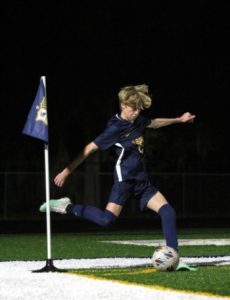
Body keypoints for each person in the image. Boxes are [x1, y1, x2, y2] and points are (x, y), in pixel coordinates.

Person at [40, 84, 195, 252]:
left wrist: (179, 119)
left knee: (168, 212)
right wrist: (67, 171)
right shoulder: (115, 128)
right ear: (123, 105)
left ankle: (174, 256)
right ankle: (66, 206)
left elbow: (154, 123)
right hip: (124, 181)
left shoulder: (137, 121)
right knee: (106, 221)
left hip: (142, 182)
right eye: (133, 109)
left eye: (139, 109)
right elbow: (89, 149)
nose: (136, 113)